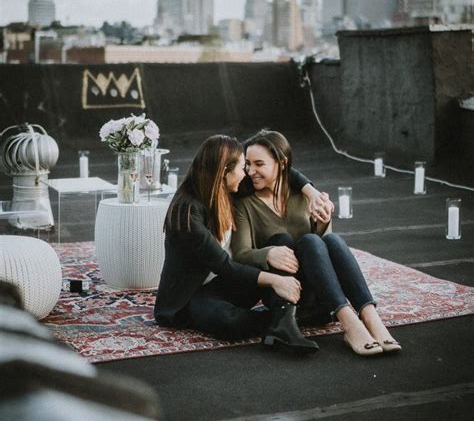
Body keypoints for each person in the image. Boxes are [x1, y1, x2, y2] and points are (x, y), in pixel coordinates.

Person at [231, 130, 402, 356]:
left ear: (281, 164)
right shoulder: (244, 203)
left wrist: (323, 221)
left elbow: (322, 248)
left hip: (319, 290)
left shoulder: (303, 196)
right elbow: (241, 254)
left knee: (327, 239)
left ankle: (370, 317)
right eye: (248, 164)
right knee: (285, 240)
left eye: (259, 164)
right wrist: (268, 253)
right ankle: (350, 324)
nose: (251, 171)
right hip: (285, 290)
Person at [154, 134, 325, 353]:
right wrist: (274, 281)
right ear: (224, 171)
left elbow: (279, 169)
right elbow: (223, 265)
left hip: (227, 282)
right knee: (230, 322)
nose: (248, 173)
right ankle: (293, 317)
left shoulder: (228, 189)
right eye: (243, 167)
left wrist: (310, 191)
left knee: (279, 243)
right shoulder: (187, 211)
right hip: (191, 297)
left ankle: (286, 325)